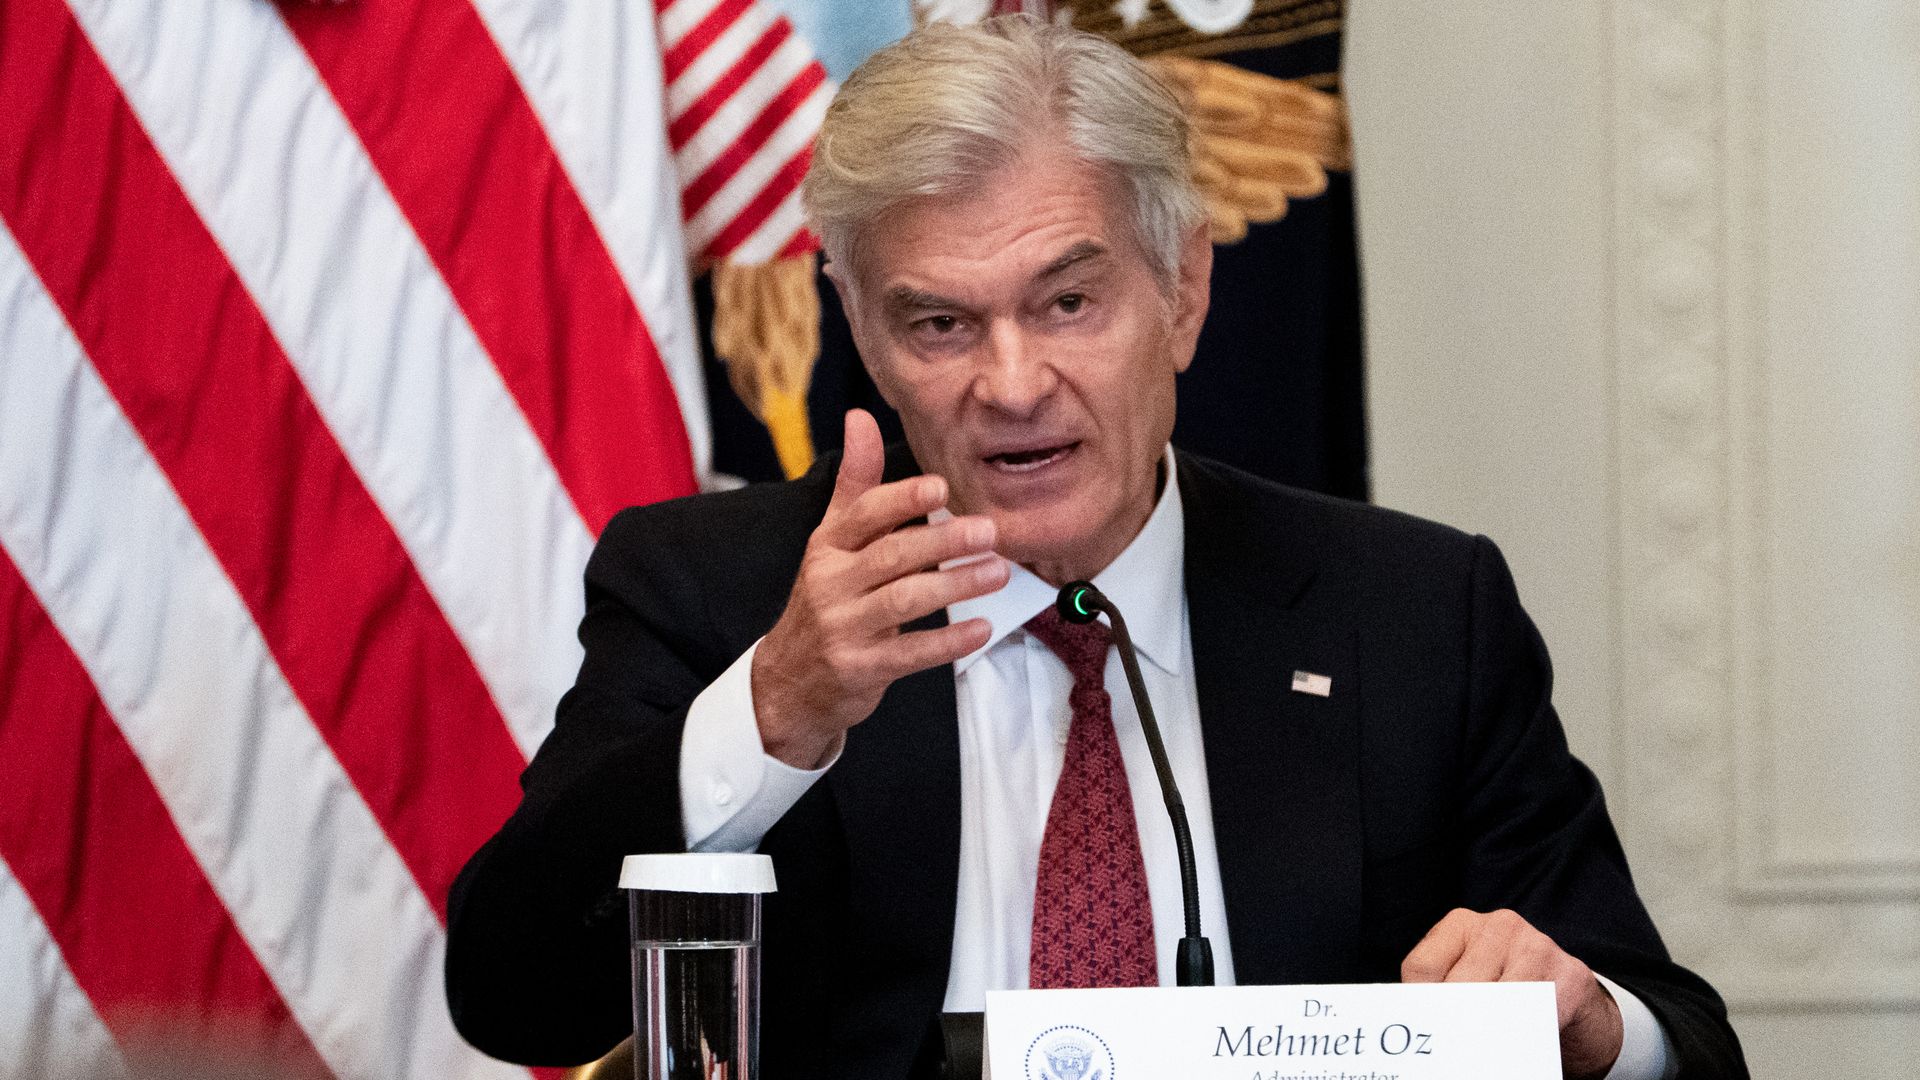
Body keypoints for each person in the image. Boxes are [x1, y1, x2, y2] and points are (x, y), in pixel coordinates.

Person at [445, 16, 1746, 1080]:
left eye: (1069, 302)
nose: (1013, 383)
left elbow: (1683, 1042)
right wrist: (775, 715)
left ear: (1182, 290)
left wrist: (1584, 1021)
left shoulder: (1407, 612)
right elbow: (513, 1000)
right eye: (941, 324)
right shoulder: (721, 594)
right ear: (858, 322)